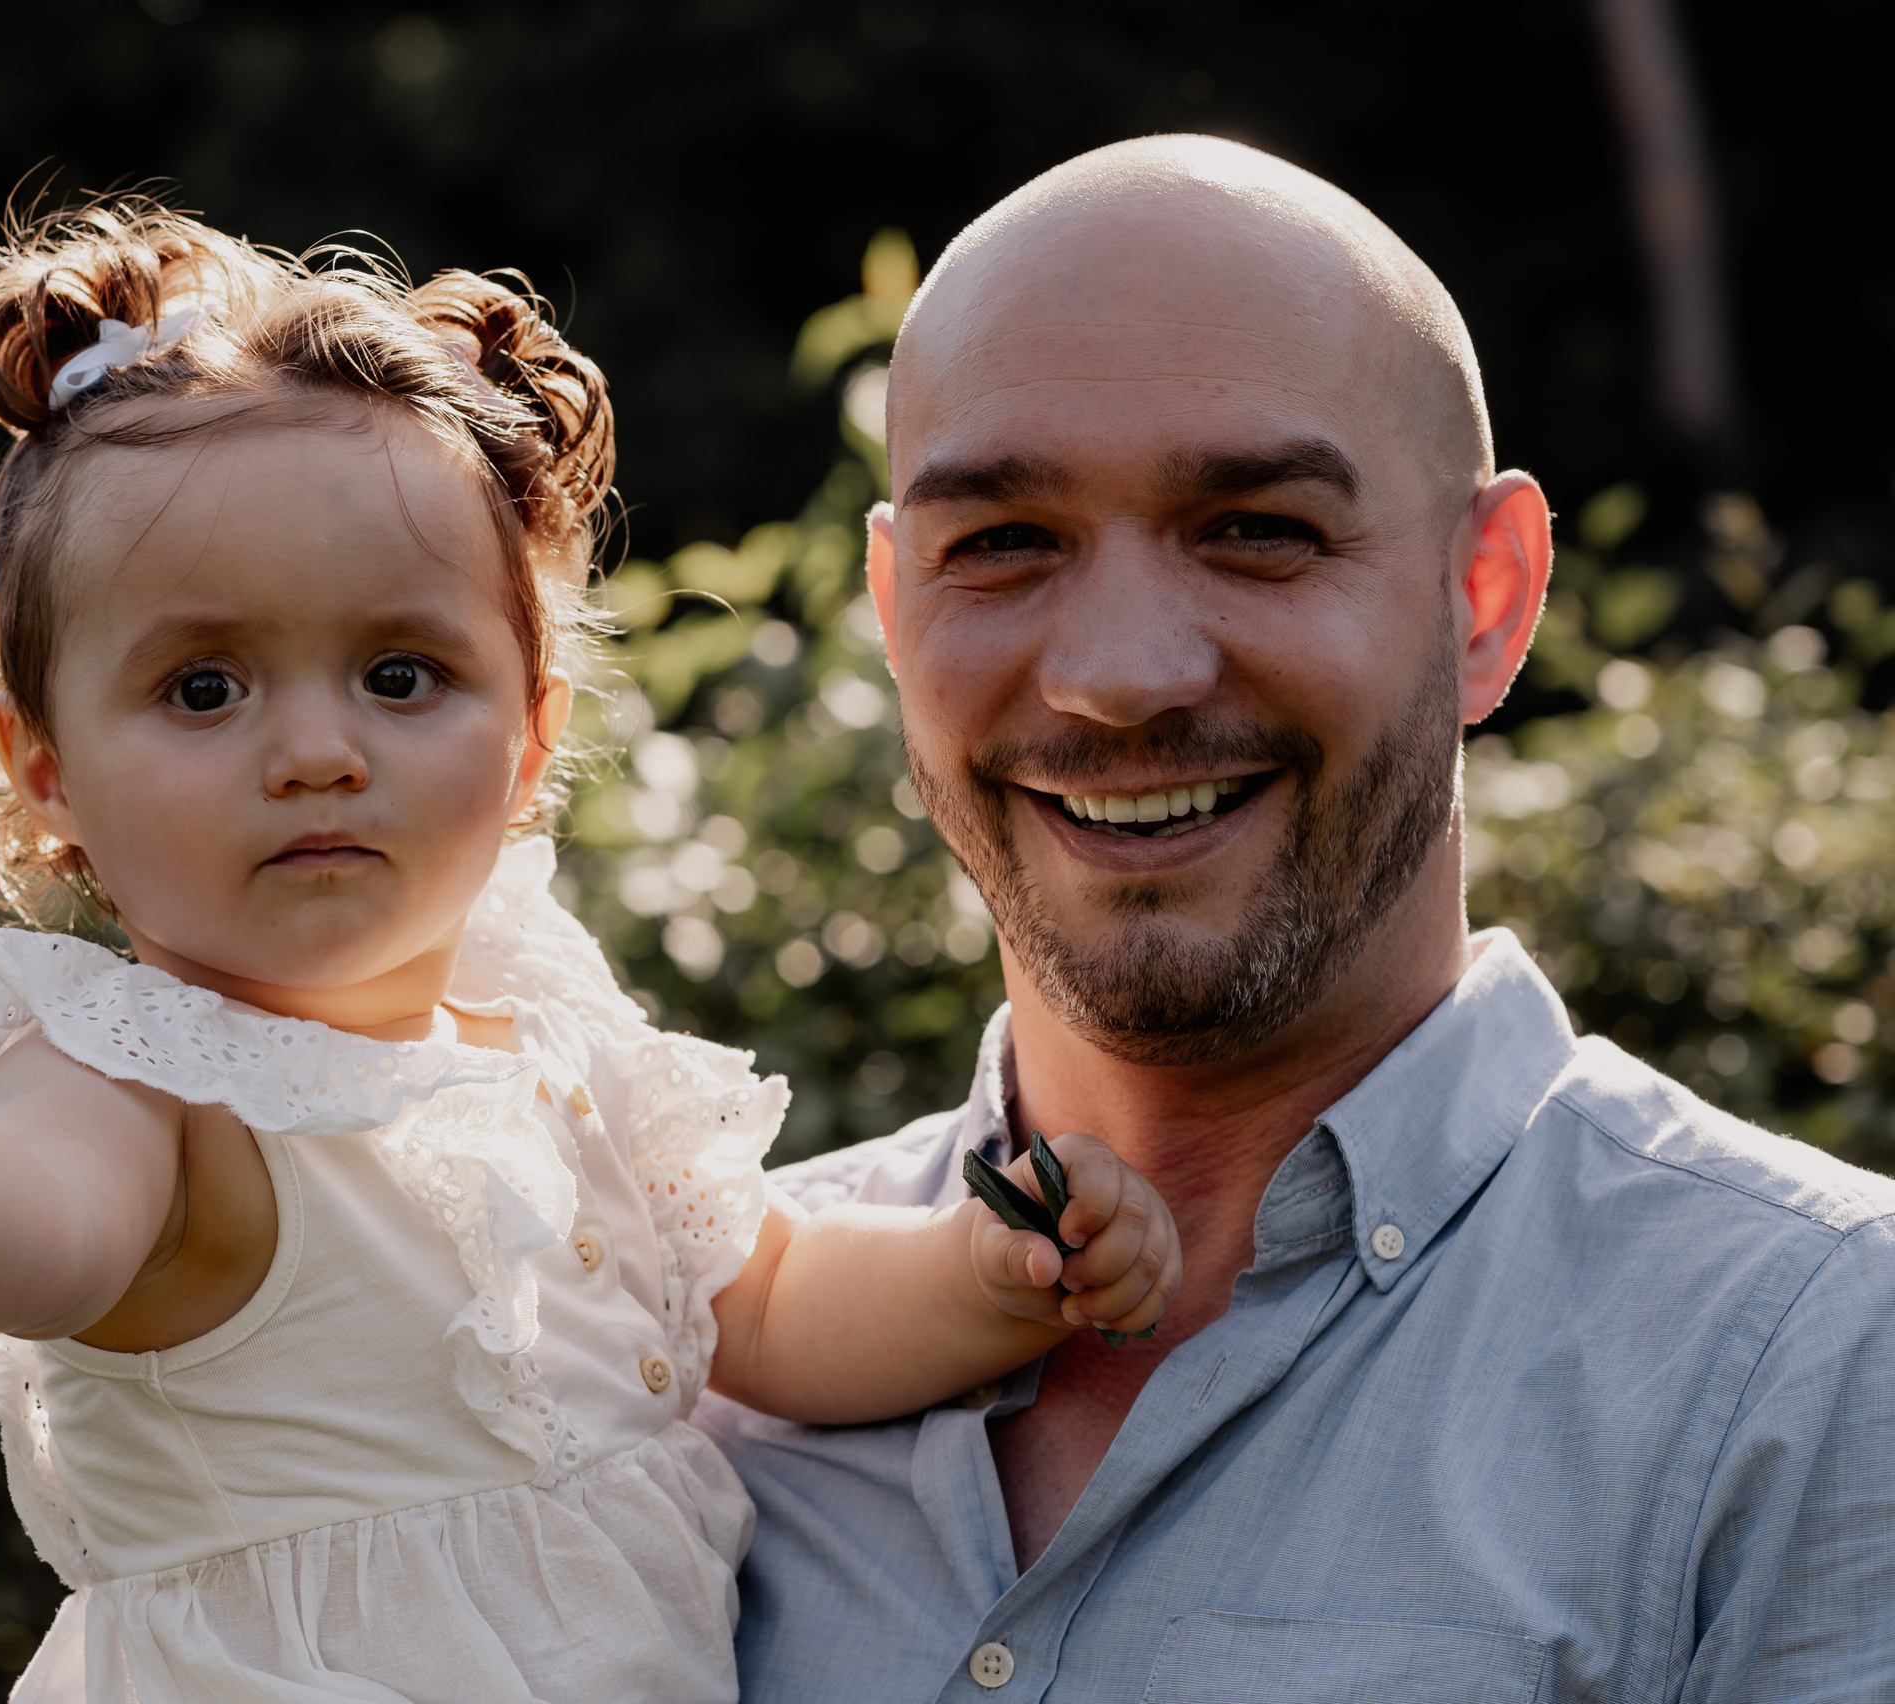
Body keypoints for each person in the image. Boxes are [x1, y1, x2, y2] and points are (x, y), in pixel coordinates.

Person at [0, 203, 1182, 1703]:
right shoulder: (139, 1077)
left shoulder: (548, 1034)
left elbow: (768, 1311)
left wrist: (990, 1278)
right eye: (203, 690)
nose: (318, 752)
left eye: (402, 675)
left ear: (534, 732)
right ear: (46, 764)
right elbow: (27, 1233)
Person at [698, 136, 1895, 1701]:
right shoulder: (662, 1350)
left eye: (1258, 527)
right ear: (893, 608)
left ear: (1488, 598)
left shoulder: (1813, 1369)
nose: (1120, 672)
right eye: (999, 544)